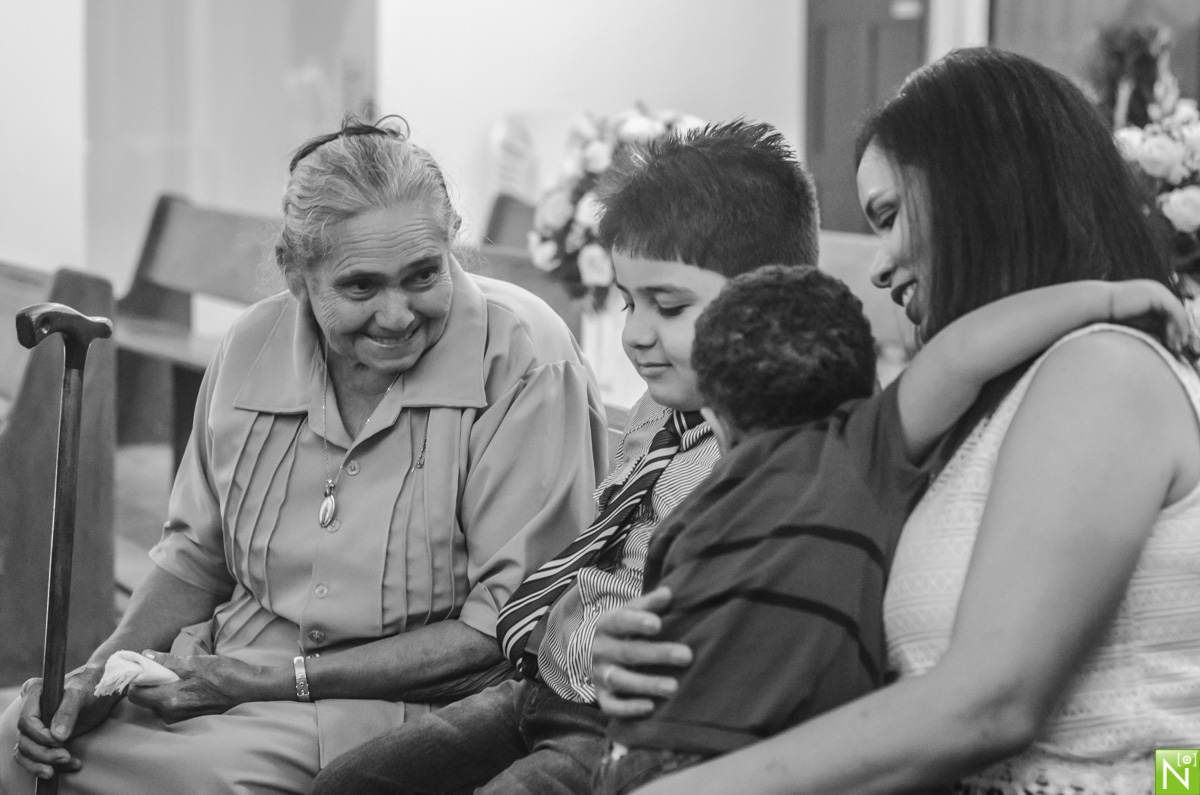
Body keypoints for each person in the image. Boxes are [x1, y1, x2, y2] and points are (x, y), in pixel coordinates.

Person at [590, 47, 1200, 795]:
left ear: (984, 198)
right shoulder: (970, 411)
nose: (876, 267)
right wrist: (680, 641)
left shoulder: (1102, 371)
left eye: (885, 217)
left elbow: (993, 703)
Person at [0, 115, 608, 795]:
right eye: (360, 286)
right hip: (214, 673)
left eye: (422, 274)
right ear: (296, 273)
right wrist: (99, 670)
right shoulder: (250, 345)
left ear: (452, 241)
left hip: (393, 709)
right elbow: (195, 559)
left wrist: (270, 679)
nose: (399, 313)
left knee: (195, 783)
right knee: (16, 743)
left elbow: (506, 628)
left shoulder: (525, 356)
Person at [307, 120, 821, 795]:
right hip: (543, 683)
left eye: (666, 306)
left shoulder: (778, 452)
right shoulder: (665, 408)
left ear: (771, 297)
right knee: (350, 784)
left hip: (625, 725)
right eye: (629, 301)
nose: (636, 336)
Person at [593, 264, 1193, 795]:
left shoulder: (699, 506)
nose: (883, 263)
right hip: (752, 764)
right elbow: (963, 353)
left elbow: (654, 620)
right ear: (871, 387)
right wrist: (1106, 299)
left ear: (717, 422)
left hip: (646, 749)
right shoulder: (862, 447)